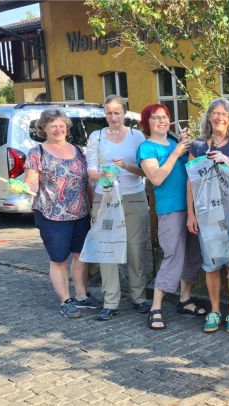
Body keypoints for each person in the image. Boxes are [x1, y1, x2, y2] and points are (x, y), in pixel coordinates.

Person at [10, 108, 98, 318]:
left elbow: (87, 184)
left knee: (81, 257)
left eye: (61, 125)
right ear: (43, 129)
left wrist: (93, 208)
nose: (58, 129)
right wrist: (22, 187)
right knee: (59, 259)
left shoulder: (80, 150)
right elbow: (31, 183)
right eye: (53, 126)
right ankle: (65, 300)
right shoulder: (37, 153)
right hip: (52, 215)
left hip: (81, 213)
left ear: (67, 128)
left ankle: (81, 296)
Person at [137, 104, 205, 330]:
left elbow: (192, 172)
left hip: (191, 209)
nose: (162, 121)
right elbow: (156, 178)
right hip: (170, 210)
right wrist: (176, 154)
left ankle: (185, 299)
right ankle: (156, 307)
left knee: (193, 255)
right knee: (173, 255)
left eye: (165, 117)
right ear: (147, 123)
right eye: (155, 118)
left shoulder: (177, 143)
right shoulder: (146, 148)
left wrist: (189, 148)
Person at [187, 98, 229, 334]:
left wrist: (227, 161)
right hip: (206, 213)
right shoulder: (198, 147)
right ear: (209, 118)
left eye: (224, 114)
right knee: (211, 263)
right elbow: (191, 181)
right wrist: (190, 213)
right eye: (215, 113)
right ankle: (215, 311)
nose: (219, 117)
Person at [86, 95, 150, 321]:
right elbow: (91, 170)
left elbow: (145, 171)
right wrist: (103, 174)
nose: (113, 117)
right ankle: (110, 300)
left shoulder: (136, 136)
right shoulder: (97, 137)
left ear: (124, 113)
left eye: (117, 112)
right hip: (105, 198)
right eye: (109, 113)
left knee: (136, 249)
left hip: (133, 197)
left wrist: (127, 167)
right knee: (106, 249)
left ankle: (139, 297)